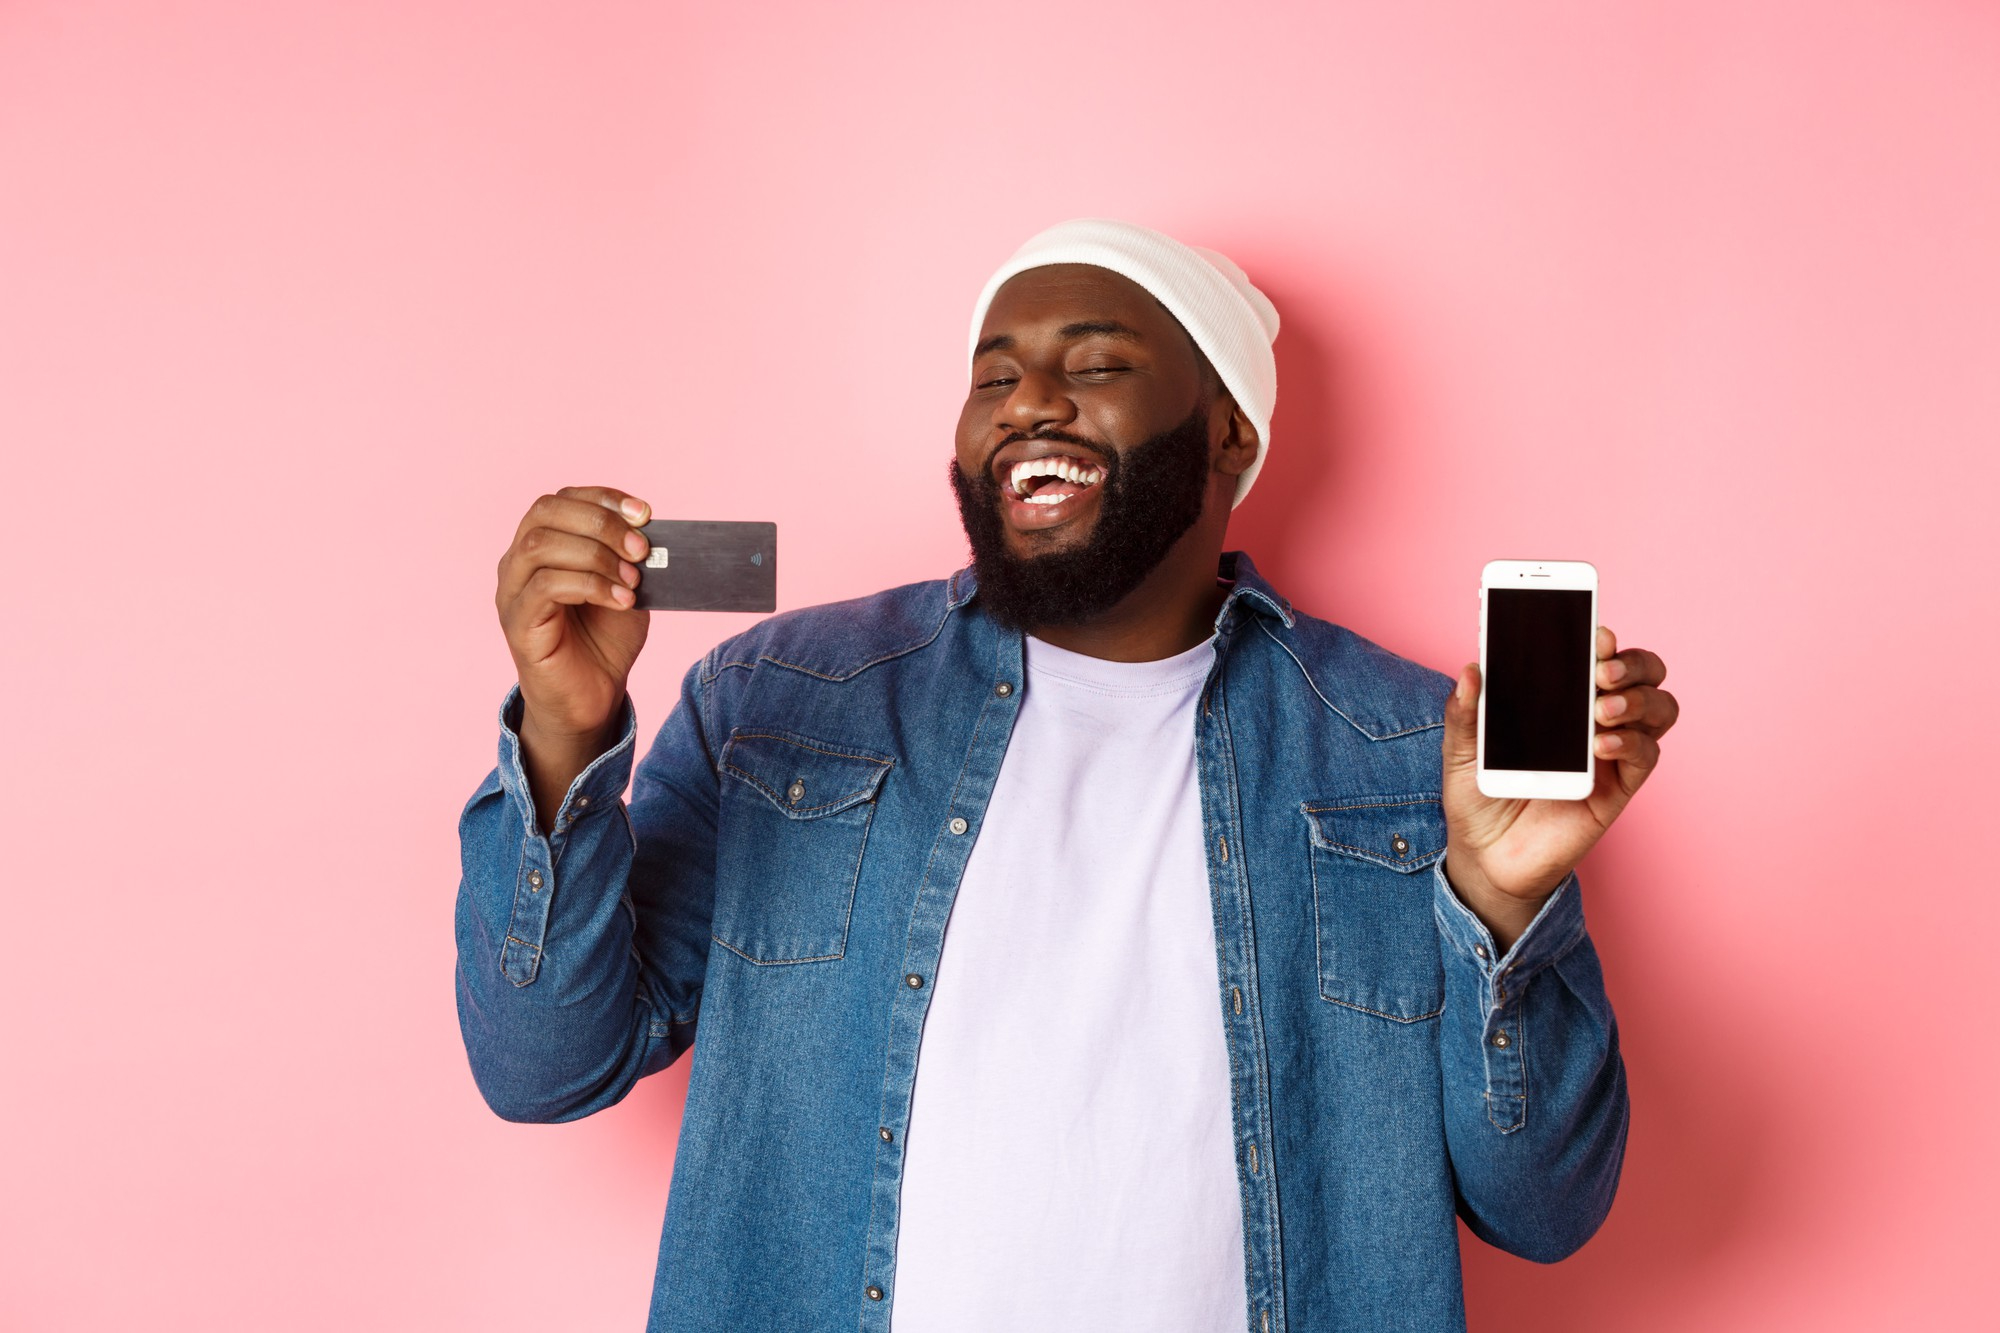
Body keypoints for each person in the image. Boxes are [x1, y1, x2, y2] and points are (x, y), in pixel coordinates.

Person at [455, 218, 1678, 1333]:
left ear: (1227, 434)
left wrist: (1503, 904)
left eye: (1092, 364)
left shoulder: (1407, 747)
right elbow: (542, 1066)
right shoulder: (780, 702)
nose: (1026, 401)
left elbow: (1545, 1210)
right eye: (993, 374)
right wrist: (564, 740)